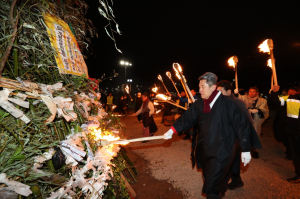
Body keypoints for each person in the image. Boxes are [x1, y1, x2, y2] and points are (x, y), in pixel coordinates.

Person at [164, 72, 261, 198]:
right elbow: (187, 118)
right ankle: (220, 189)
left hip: (223, 150)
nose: (200, 90)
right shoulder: (199, 103)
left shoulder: (229, 105)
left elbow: (241, 126)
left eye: (202, 87)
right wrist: (172, 130)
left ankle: (215, 192)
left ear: (213, 87)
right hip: (205, 148)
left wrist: (246, 149)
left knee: (211, 186)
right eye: (199, 87)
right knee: (210, 176)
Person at [217, 80, 255, 191]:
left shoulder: (236, 103)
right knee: (233, 162)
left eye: (220, 91)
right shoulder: (221, 101)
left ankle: (219, 190)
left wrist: (245, 146)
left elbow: (247, 122)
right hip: (225, 138)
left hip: (235, 138)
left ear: (229, 91)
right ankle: (237, 181)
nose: (217, 94)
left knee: (228, 164)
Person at [271, 86, 300, 183]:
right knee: (295, 154)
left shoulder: (292, 99)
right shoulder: (290, 98)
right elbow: (277, 101)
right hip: (293, 131)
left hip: (295, 131)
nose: (290, 92)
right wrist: (275, 92)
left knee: (297, 154)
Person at [235, 86, 269, 158]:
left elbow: (265, 110)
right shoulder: (243, 98)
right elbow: (236, 99)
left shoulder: (263, 100)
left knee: (255, 134)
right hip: (245, 119)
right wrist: (235, 93)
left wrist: (258, 110)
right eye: (250, 91)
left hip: (255, 120)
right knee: (243, 134)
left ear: (257, 93)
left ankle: (254, 149)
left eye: (253, 92)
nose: (251, 93)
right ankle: (244, 148)